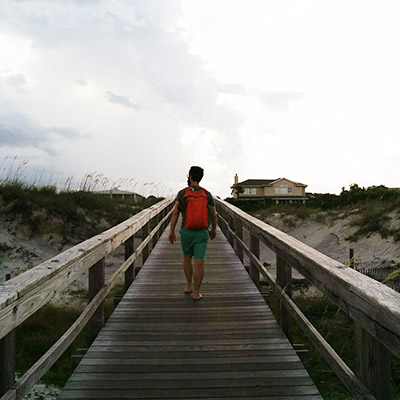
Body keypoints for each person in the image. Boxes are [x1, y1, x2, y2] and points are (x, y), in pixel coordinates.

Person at [168, 166, 217, 301]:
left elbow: (175, 213)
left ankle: (189, 286)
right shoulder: (206, 194)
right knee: (199, 263)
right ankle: (196, 293)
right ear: (201, 177)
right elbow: (213, 214)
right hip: (202, 232)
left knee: (187, 258)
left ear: (190, 177)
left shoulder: (182, 193)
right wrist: (213, 229)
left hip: (187, 232)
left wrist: (171, 231)